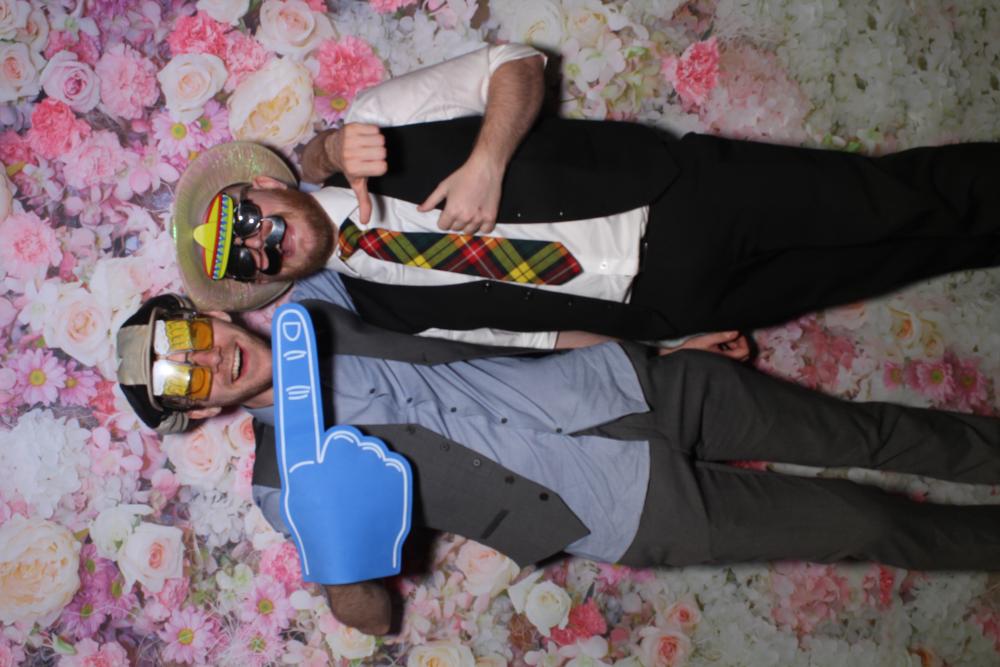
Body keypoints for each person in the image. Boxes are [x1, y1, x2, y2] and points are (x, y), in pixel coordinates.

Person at [116, 275, 1000, 634]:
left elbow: (490, 304)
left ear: (210, 315)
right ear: (200, 411)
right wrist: (341, 552)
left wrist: (661, 344)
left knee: (866, 432)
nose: (208, 362)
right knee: (860, 521)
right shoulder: (282, 488)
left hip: (633, 384)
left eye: (188, 340)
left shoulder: (315, 299)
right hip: (622, 508)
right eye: (186, 381)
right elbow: (373, 615)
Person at [172, 43, 1000, 349]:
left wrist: (487, 160)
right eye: (247, 260)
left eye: (248, 220)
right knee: (892, 260)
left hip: (679, 199)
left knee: (894, 200)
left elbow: (518, 64)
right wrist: (666, 349)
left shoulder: (370, 124)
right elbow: (532, 336)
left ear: (268, 184)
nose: (263, 244)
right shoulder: (377, 309)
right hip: (668, 304)